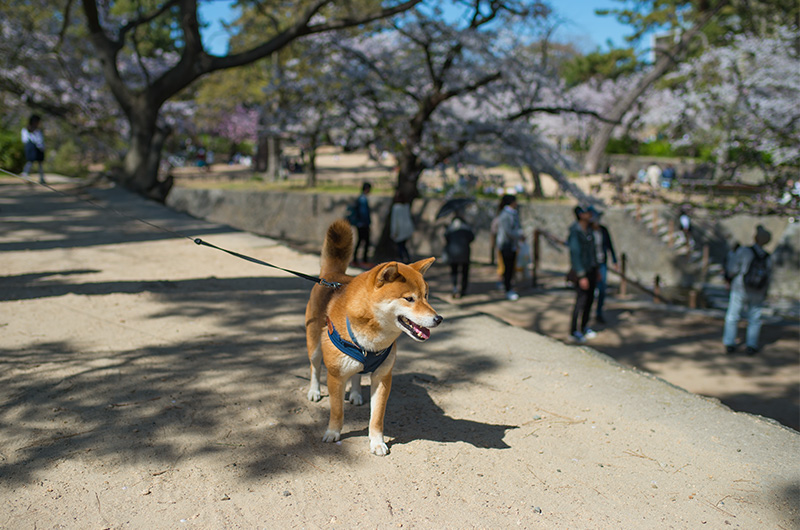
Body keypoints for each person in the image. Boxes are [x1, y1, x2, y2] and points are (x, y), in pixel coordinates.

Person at [722, 225, 773, 355]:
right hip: (758, 291)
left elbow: (732, 269)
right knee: (754, 318)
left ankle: (729, 343)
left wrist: (728, 278)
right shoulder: (767, 257)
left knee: (733, 315)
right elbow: (769, 277)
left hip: (740, 287)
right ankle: (751, 345)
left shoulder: (744, 251)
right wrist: (765, 292)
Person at [567, 205, 599, 343]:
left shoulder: (590, 230)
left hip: (591, 269)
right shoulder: (575, 231)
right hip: (582, 271)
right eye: (587, 212)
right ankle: (574, 331)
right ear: (581, 215)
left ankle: (584, 326)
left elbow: (593, 251)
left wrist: (596, 269)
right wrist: (581, 275)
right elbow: (575, 254)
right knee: (581, 300)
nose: (590, 214)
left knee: (590, 300)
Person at [588, 206, 618, 324]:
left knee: (602, 289)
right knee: (590, 290)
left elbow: (610, 245)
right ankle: (587, 313)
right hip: (591, 264)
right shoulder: (587, 231)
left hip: (602, 263)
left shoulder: (603, 230)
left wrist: (614, 260)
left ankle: (599, 313)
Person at [495, 194, 524, 300]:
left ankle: (508, 286)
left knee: (511, 267)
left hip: (512, 245)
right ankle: (508, 289)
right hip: (506, 245)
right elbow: (508, 231)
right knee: (507, 268)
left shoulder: (513, 213)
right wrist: (519, 235)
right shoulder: (505, 215)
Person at [444, 215, 475, 299]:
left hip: (453, 253)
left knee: (454, 271)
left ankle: (455, 287)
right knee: (464, 272)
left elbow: (446, 238)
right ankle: (463, 289)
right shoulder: (466, 228)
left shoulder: (450, 228)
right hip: (465, 253)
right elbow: (472, 237)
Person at [351, 182, 372, 266]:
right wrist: (367, 223)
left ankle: (355, 259)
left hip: (359, 224)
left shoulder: (360, 198)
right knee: (365, 242)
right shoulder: (363, 199)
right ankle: (364, 260)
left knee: (360, 241)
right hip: (363, 224)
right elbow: (364, 213)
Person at [390, 192, 415, 263]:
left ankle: (402, 259)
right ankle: (407, 258)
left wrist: (394, 231)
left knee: (400, 246)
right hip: (407, 230)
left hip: (400, 231)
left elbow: (394, 221)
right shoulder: (406, 206)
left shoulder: (396, 208)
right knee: (403, 246)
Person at [22, 114, 46, 184]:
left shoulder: (38, 131)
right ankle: (25, 175)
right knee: (30, 161)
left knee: (40, 163)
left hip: (39, 148)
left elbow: (40, 140)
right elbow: (24, 139)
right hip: (31, 148)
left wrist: (41, 146)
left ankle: (42, 178)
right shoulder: (26, 130)